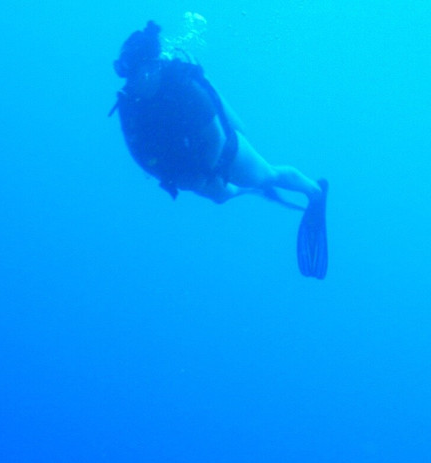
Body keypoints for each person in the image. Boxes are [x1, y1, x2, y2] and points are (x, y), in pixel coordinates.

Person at [110, 21, 329, 278]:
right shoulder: (130, 103)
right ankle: (253, 190)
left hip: (221, 149)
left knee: (267, 174)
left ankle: (315, 192)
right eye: (130, 75)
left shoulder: (183, 87)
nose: (135, 82)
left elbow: (215, 137)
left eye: (141, 74)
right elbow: (138, 150)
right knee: (220, 197)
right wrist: (171, 177)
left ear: (156, 65)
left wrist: (209, 173)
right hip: (186, 159)